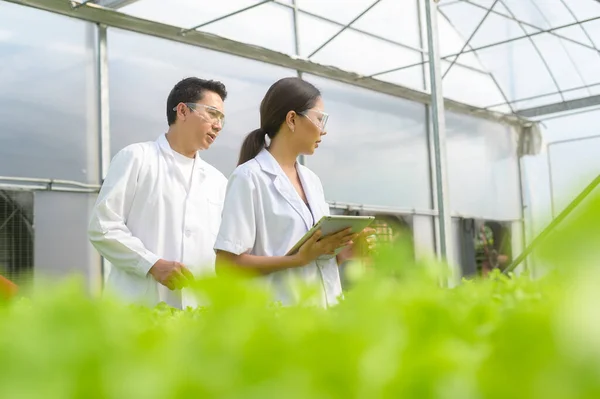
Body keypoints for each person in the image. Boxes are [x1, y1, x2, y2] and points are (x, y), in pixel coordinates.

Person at [214, 77, 374, 308]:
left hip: (320, 316)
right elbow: (227, 266)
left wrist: (343, 252)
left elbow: (313, 258)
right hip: (277, 318)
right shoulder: (249, 178)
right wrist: (296, 260)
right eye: (320, 119)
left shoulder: (312, 181)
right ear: (292, 119)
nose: (324, 131)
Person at [88, 77, 228, 309]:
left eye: (222, 118)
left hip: (198, 313)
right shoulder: (137, 158)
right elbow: (103, 226)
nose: (218, 125)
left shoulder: (218, 181)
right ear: (182, 111)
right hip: (139, 307)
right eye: (213, 114)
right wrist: (151, 264)